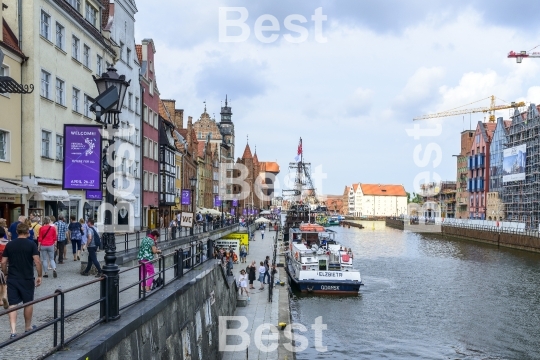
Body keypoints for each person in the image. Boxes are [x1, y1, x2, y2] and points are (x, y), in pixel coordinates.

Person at [1, 222, 42, 338]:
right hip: (27, 277)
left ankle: (13, 331)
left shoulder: (10, 245)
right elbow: (37, 261)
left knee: (13, 304)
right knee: (28, 302)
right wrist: (39, 275)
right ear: (27, 233)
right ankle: (27, 327)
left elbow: (3, 262)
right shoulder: (31, 245)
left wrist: (5, 273)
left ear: (17, 232)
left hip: (13, 277)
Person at [0, 228, 8, 309]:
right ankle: (4, 296)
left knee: (0, 283)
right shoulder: (8, 243)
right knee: (4, 283)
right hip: (6, 264)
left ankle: (0, 299)